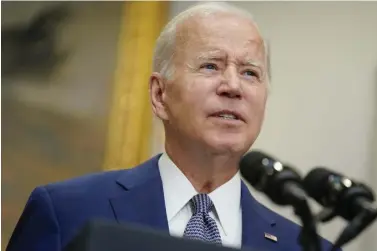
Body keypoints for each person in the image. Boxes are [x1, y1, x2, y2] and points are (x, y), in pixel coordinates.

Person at [6, 2, 335, 251]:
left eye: (250, 72)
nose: (233, 86)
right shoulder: (67, 212)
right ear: (160, 94)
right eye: (210, 66)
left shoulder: (304, 246)